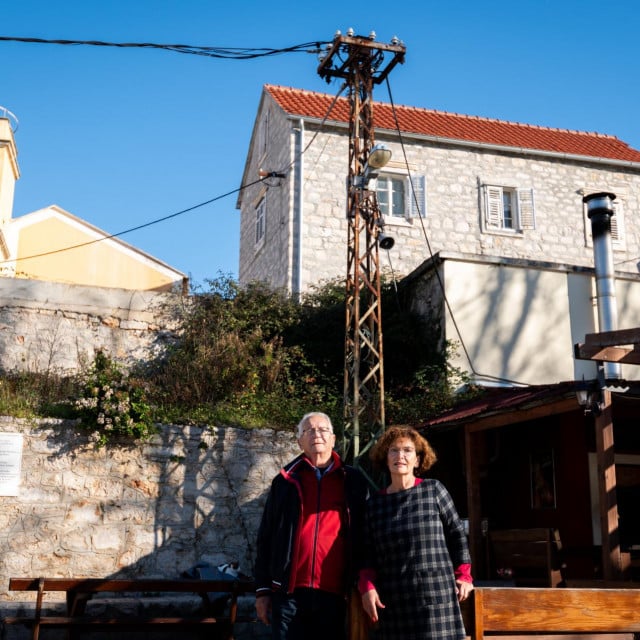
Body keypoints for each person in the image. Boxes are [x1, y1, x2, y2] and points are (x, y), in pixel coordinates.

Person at [254, 411, 369, 640]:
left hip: (334, 594)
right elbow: (266, 536)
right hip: (289, 594)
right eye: (309, 430)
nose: (317, 434)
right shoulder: (285, 481)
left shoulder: (353, 480)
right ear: (300, 441)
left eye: (323, 429)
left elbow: (365, 536)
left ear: (334, 439)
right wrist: (262, 590)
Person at [359, 425, 473, 640]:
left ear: (418, 460)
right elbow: (367, 552)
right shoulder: (374, 504)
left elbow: (457, 534)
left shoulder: (434, 490)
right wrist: (367, 586)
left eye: (407, 450)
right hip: (393, 600)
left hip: (436, 598)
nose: (400, 456)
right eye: (393, 450)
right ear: (385, 458)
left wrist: (464, 574)